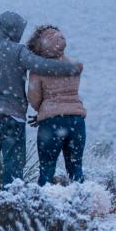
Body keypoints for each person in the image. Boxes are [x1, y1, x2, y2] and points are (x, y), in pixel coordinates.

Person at [0, 11, 82, 193]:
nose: (20, 34)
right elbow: (40, 65)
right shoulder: (18, 51)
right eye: (19, 30)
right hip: (13, 116)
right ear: (12, 30)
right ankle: (11, 205)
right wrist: (70, 68)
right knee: (13, 164)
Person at [26, 25, 87, 185]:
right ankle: (81, 203)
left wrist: (42, 111)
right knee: (76, 168)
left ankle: (43, 205)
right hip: (77, 120)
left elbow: (33, 98)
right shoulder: (74, 65)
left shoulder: (38, 69)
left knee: (46, 169)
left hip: (51, 123)